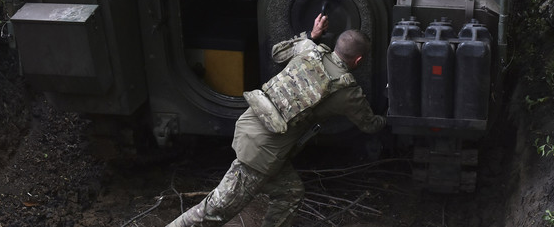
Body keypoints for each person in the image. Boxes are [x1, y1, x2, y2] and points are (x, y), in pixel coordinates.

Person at [165, 13, 387, 227]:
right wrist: (389, 116)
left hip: (251, 128)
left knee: (290, 193)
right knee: (215, 211)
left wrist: (311, 35)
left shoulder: (309, 48)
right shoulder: (347, 92)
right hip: (261, 153)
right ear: (359, 60)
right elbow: (370, 125)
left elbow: (277, 53)